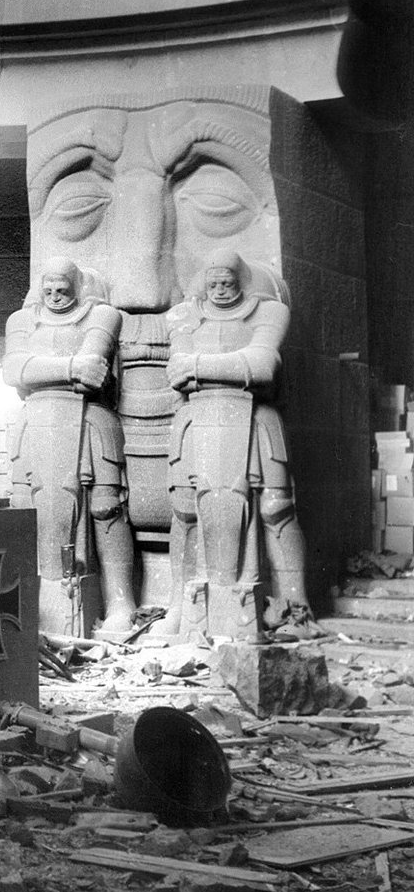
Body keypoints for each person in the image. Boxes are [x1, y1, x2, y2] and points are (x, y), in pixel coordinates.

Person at [165, 248, 311, 637]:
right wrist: (231, 366)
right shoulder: (183, 316)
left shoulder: (269, 311)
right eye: (212, 283)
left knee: (276, 509)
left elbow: (262, 365)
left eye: (227, 282)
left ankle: (297, 605)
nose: (219, 290)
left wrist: (196, 366)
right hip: (196, 421)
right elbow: (174, 372)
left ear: (242, 280)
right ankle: (181, 607)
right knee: (186, 510)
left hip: (256, 419)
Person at [3, 257, 137, 634]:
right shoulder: (21, 321)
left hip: (90, 422)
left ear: (78, 287)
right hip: (36, 424)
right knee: (26, 509)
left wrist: (42, 370)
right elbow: (13, 371)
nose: (55, 297)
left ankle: (119, 603)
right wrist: (69, 369)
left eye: (63, 290)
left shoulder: (103, 316)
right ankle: (36, 603)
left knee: (106, 510)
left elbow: (93, 370)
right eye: (48, 290)